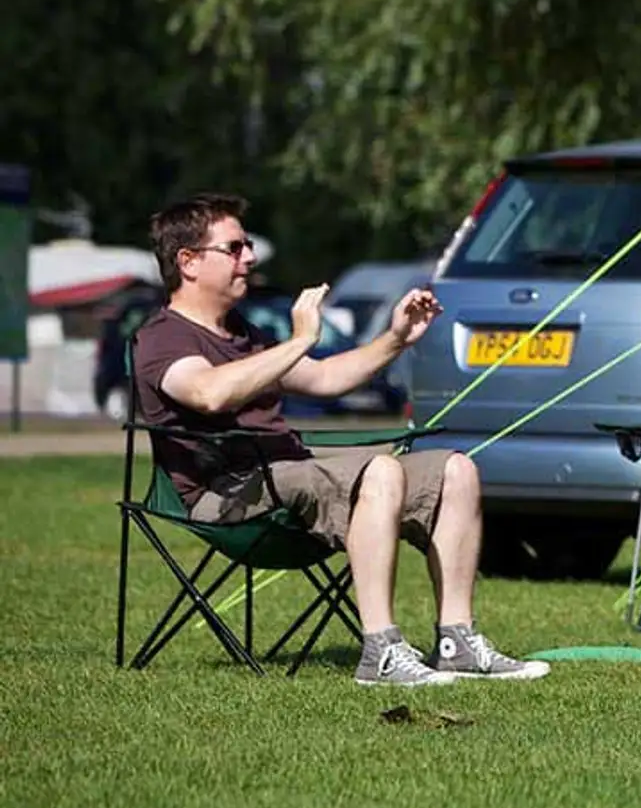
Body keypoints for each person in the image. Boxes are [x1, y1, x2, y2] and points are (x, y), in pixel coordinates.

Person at [133, 192, 549, 687]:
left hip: (286, 472)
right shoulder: (164, 338)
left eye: (247, 245)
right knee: (380, 469)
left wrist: (396, 339)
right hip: (227, 494)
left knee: (454, 471)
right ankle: (381, 650)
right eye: (235, 247)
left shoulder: (242, 334)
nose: (250, 256)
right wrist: (299, 339)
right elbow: (208, 393)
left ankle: (455, 640)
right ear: (189, 262)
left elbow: (326, 378)